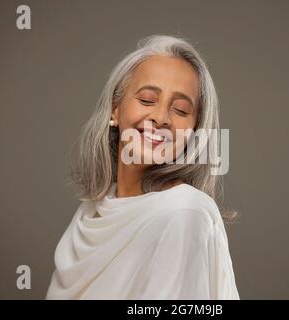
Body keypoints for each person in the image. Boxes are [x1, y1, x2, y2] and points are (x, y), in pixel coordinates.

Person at [46, 34, 240, 299]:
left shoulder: (183, 212)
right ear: (115, 109)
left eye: (181, 110)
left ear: (194, 130)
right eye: (147, 100)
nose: (161, 118)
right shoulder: (90, 212)